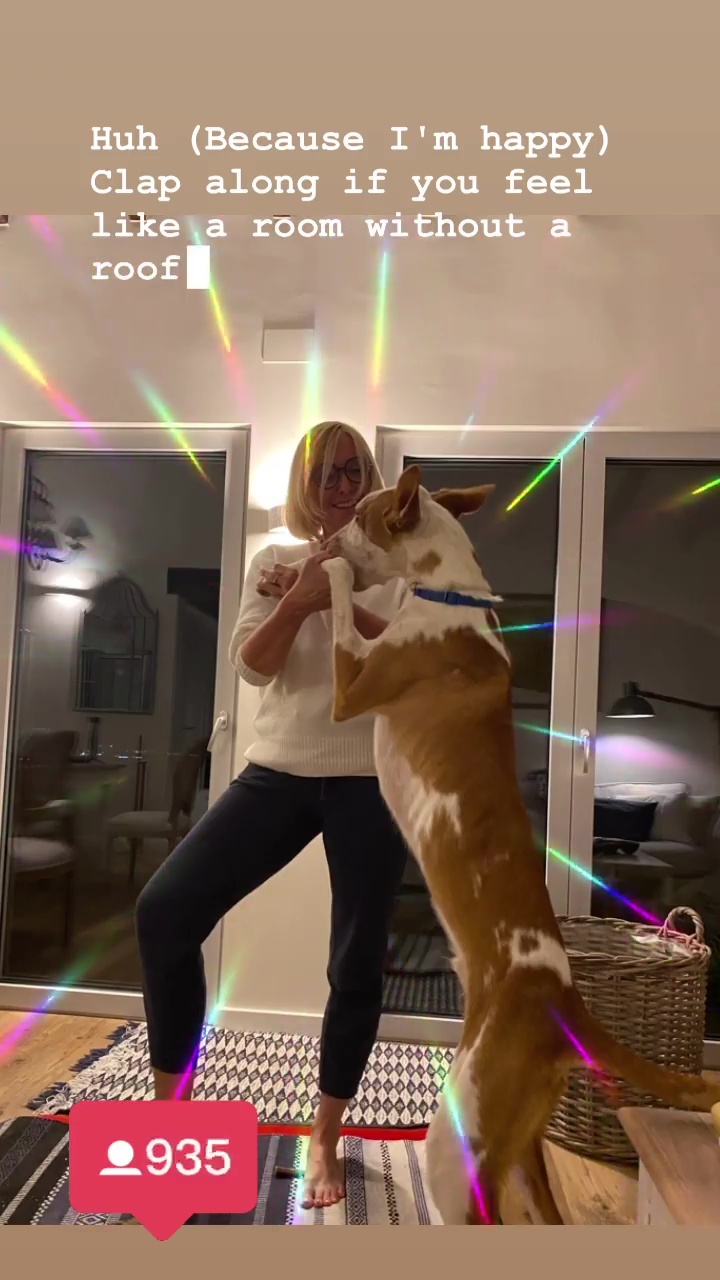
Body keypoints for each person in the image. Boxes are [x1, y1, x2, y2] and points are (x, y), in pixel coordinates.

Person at [136, 421, 409, 1209]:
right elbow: (253, 669)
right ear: (304, 483)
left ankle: (324, 1137)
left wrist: (341, 591)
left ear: (370, 479)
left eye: (354, 471)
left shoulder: (399, 569)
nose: (341, 486)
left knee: (356, 962)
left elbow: (405, 667)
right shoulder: (273, 563)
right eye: (326, 473)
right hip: (279, 772)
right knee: (165, 913)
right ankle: (171, 1123)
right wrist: (299, 595)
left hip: (371, 778)